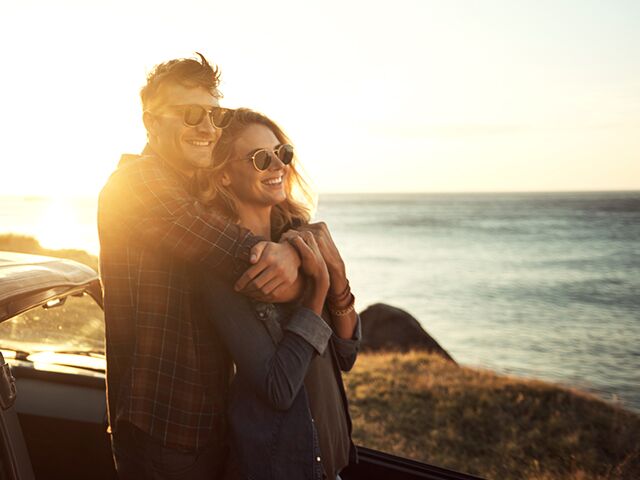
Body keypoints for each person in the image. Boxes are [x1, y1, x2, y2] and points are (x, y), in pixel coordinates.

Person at [98, 54, 304, 479]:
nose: (209, 128)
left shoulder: (193, 184)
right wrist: (300, 259)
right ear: (151, 123)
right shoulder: (138, 183)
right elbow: (241, 253)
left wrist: (298, 247)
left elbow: (281, 222)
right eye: (190, 114)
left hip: (208, 419)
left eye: (215, 114)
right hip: (165, 426)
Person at [196, 108, 360, 480]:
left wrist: (337, 275)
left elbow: (347, 353)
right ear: (222, 174)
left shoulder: (301, 238)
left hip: (332, 461)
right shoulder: (225, 267)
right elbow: (278, 387)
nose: (278, 166)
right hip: (279, 468)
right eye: (260, 159)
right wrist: (317, 289)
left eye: (282, 153)